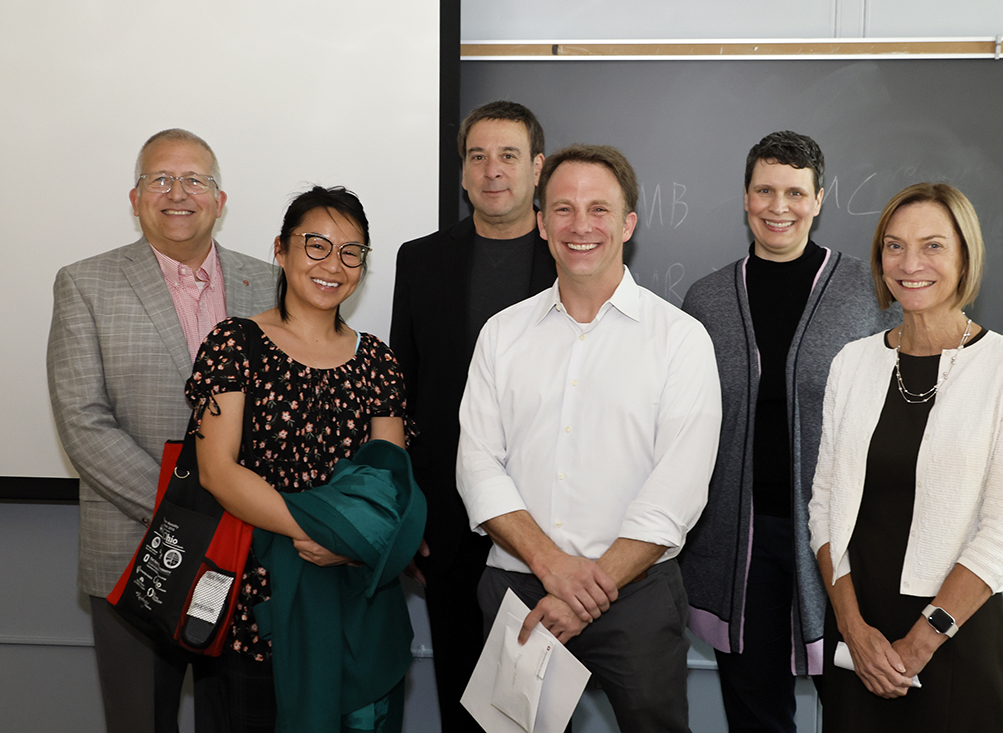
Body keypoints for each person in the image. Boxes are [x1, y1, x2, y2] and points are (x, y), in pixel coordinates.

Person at [457, 144, 722, 732]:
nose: (581, 226)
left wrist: (587, 586)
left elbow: (677, 488)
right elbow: (477, 465)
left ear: (627, 223)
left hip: (638, 599)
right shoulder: (502, 335)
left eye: (599, 209)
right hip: (522, 590)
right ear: (542, 222)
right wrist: (554, 567)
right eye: (564, 209)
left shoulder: (680, 339)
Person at [47, 129, 277, 733]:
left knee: (240, 722)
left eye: (195, 180)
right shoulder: (84, 284)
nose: (178, 193)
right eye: (160, 179)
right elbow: (82, 421)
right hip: (132, 553)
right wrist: (188, 513)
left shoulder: (269, 285)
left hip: (249, 560)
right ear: (135, 196)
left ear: (220, 201)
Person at [808, 182, 1003, 732]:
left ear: (965, 256)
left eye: (933, 245)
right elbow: (823, 504)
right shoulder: (852, 363)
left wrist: (919, 644)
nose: (910, 263)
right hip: (857, 629)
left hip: (953, 633)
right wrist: (851, 626)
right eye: (894, 246)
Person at [678, 130, 896, 732]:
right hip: (737, 542)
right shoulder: (708, 299)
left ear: (819, 199)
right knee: (755, 711)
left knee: (855, 706)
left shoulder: (869, 293)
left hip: (842, 540)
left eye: (795, 192)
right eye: (765, 190)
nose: (779, 207)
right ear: (745, 197)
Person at [186, 186, 423, 732]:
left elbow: (391, 484)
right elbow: (218, 471)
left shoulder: (377, 361)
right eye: (315, 245)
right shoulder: (235, 344)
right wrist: (320, 532)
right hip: (255, 601)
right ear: (281, 249)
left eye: (351, 252)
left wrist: (343, 546)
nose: (332, 265)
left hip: (355, 595)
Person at [389, 100, 556, 731]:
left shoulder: (572, 253)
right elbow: (399, 393)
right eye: (477, 156)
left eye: (509, 155)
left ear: (537, 168)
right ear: (461, 173)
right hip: (447, 524)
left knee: (536, 710)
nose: (493, 171)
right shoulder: (421, 259)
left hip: (548, 526)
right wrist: (406, 516)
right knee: (463, 697)